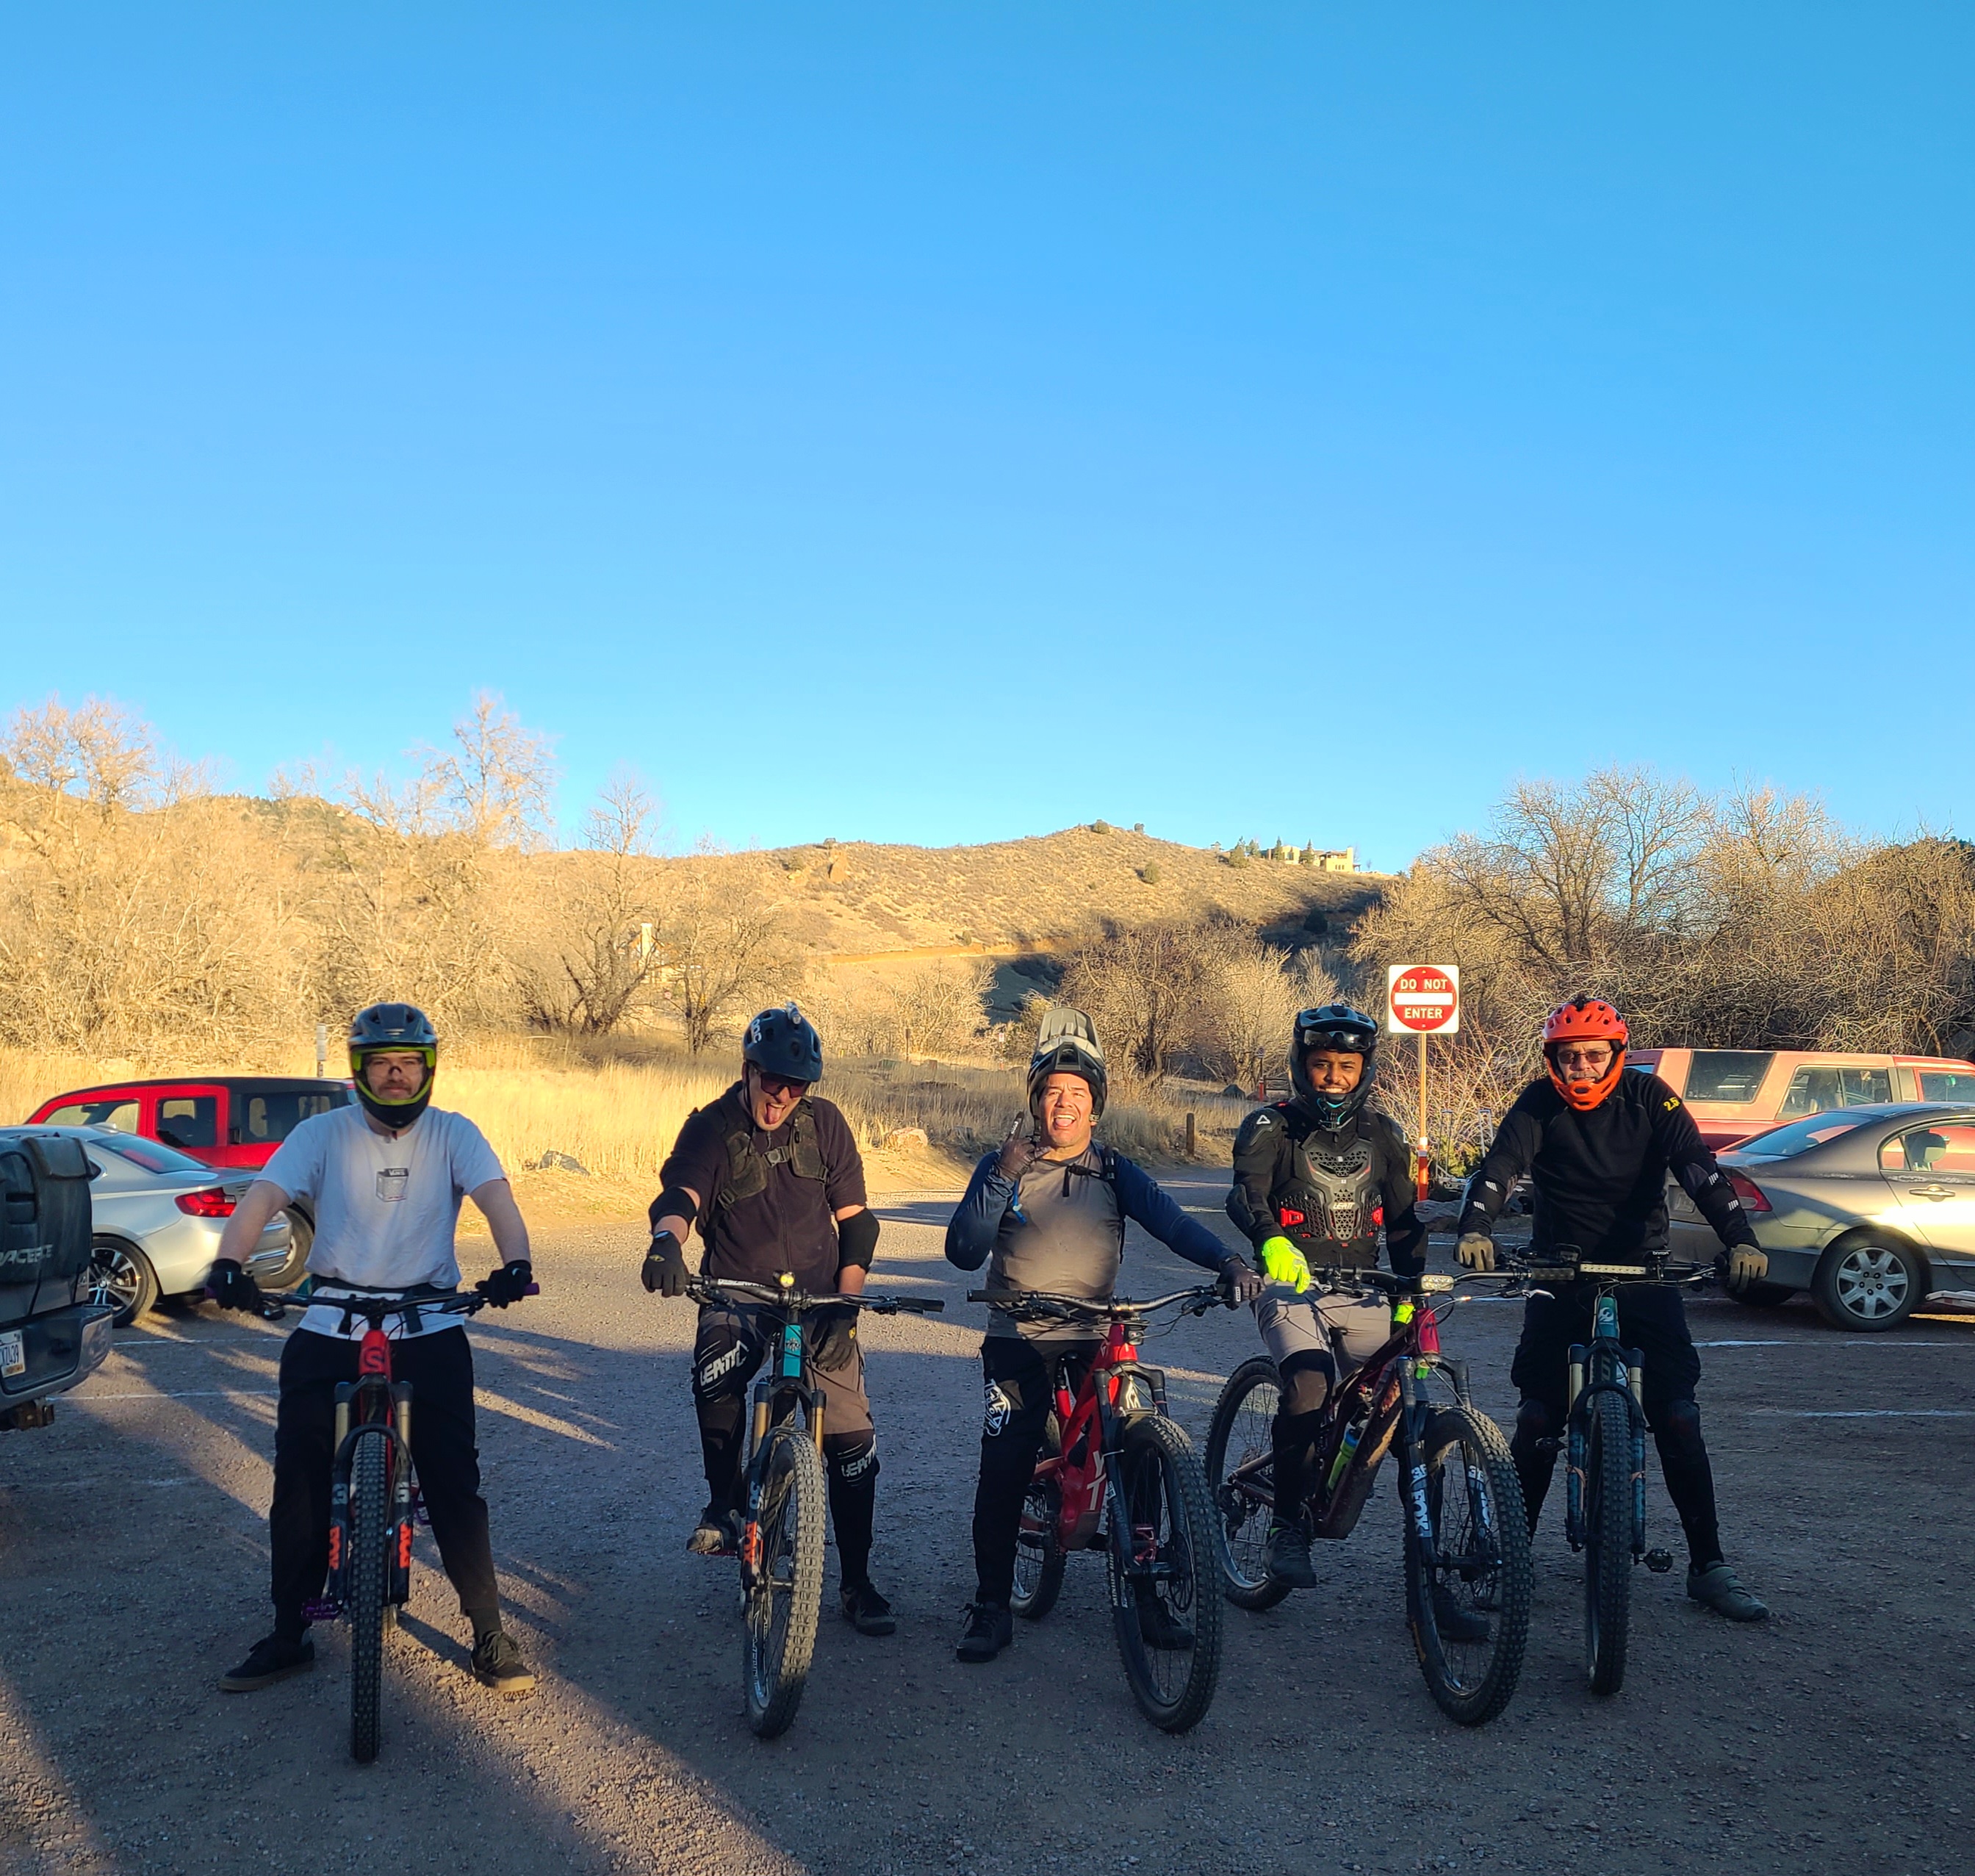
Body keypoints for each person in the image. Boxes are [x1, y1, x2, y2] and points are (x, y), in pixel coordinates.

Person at [210, 1002, 539, 1694]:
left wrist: (515, 1263)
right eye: (383, 1063)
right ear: (360, 1069)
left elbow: (496, 1200)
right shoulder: (321, 1133)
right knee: (297, 1477)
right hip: (333, 1318)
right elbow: (265, 1195)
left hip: (429, 1322)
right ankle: (290, 1628)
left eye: (408, 1063)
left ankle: (487, 1631)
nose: (396, 1076)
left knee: (454, 1481)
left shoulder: (454, 1134)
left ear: (427, 1069)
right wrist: (230, 1262)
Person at [944, 1007, 1259, 1664]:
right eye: (1053, 1092)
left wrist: (1227, 1263)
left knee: (1140, 1447)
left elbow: (1173, 1224)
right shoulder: (1003, 1165)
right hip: (1019, 1332)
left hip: (1092, 1326)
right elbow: (963, 1252)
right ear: (1035, 1101)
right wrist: (1001, 1174)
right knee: (1005, 1464)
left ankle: (1145, 1596)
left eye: (1078, 1095)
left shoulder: (1115, 1171)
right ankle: (991, 1606)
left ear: (1095, 1108)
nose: (1064, 1104)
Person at [1454, 995, 1770, 1621]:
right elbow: (1500, 1169)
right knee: (1539, 1417)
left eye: (1594, 1056)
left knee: (1679, 1416)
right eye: (1568, 1057)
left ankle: (1708, 1565)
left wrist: (1742, 1241)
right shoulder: (1536, 1103)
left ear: (1617, 1056)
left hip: (1642, 1269)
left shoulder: (1653, 1100)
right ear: (1553, 1059)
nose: (1581, 1068)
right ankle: (1505, 1557)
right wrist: (1475, 1227)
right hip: (1557, 1271)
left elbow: (1701, 1172)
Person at [642, 1004, 896, 1636]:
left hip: (818, 1301)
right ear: (748, 1069)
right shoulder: (711, 1127)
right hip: (738, 1294)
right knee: (717, 1369)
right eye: (772, 1080)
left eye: (796, 1084)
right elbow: (682, 1198)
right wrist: (666, 1243)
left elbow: (858, 1223)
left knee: (854, 1442)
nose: (781, 1094)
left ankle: (856, 1581)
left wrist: (848, 1307)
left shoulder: (826, 1125)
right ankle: (724, 1503)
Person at [1225, 1003, 1463, 1614]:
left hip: (1367, 1288)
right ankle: (1285, 1526)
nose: (1333, 1076)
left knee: (1410, 1416)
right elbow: (1243, 1194)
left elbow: (1407, 1222)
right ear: (1302, 1065)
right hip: (1291, 1284)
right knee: (1308, 1382)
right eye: (1321, 1064)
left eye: (1346, 1066)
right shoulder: (1269, 1127)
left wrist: (1411, 1295)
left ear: (1365, 1069)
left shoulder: (1384, 1136)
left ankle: (1430, 1584)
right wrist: (1268, 1237)